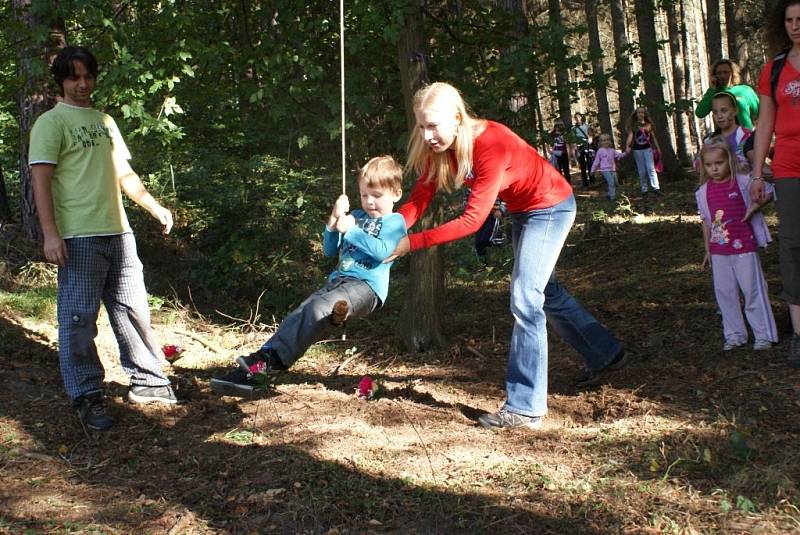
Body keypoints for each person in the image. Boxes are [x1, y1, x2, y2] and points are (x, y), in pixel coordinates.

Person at [390, 82, 626, 430]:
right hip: (523, 210)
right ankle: (605, 352)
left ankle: (526, 408)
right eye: (421, 126)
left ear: (456, 118)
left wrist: (413, 243)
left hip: (551, 206)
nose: (427, 135)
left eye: (433, 125)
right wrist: (391, 230)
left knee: (525, 296)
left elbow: (472, 221)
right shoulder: (441, 147)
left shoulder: (491, 143)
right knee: (544, 291)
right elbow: (420, 196)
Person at [28, 46, 177, 431]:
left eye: (88, 76)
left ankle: (148, 381)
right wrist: (50, 234)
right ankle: (86, 395)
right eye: (74, 77)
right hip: (78, 236)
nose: (82, 84)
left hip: (119, 232)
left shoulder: (105, 121)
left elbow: (123, 174)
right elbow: (40, 181)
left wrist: (154, 206)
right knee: (78, 319)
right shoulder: (50, 123)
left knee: (133, 309)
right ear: (61, 81)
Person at [210, 156, 407, 397]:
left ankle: (270, 363)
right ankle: (260, 364)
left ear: (396, 193)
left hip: (366, 288)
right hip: (339, 282)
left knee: (319, 309)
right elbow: (330, 250)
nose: (369, 202)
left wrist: (352, 230)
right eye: (365, 195)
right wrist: (333, 221)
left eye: (377, 195)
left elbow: (383, 251)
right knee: (304, 311)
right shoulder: (355, 215)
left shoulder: (394, 222)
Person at [750, 0, 800, 368]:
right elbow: (764, 125)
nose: (796, 26)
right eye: (790, 20)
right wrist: (756, 174)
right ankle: (799, 333)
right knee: (793, 246)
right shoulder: (775, 68)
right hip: (788, 167)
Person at [696, 140, 778, 351]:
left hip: (744, 247)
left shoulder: (742, 182)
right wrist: (707, 249)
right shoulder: (703, 192)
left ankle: (763, 334)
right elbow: (706, 221)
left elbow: (769, 191)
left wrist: (753, 209)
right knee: (724, 293)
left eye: (719, 163)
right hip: (719, 250)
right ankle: (734, 335)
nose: (714, 168)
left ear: (729, 161)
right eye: (709, 165)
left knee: (753, 290)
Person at [695, 59, 760, 130]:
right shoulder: (713, 92)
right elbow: (700, 113)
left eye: (725, 72)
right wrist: (713, 89)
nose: (722, 75)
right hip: (724, 138)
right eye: (719, 73)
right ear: (714, 75)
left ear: (732, 73)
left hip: (747, 136)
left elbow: (760, 113)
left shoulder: (745, 90)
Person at [625, 107, 661, 198]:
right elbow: (630, 136)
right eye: (639, 113)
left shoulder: (648, 125)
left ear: (645, 114)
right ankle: (644, 189)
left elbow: (653, 137)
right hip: (637, 150)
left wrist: (658, 148)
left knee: (651, 168)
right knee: (642, 170)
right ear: (636, 114)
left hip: (648, 149)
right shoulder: (634, 125)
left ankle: (656, 188)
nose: (640, 114)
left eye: (642, 112)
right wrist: (627, 146)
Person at [590, 133, 627, 201]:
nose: (606, 142)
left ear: (610, 141)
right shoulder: (600, 151)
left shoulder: (612, 150)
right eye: (604, 140)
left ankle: (610, 194)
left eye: (607, 140)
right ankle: (612, 198)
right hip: (605, 170)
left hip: (612, 169)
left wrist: (626, 152)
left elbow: (619, 155)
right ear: (601, 142)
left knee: (616, 183)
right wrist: (592, 170)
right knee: (611, 182)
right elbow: (596, 161)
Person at [570, 113, 593, 188]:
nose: (577, 119)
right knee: (582, 165)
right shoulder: (573, 128)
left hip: (587, 146)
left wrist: (590, 139)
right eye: (575, 117)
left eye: (578, 117)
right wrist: (574, 147)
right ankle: (585, 182)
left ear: (581, 117)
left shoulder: (586, 126)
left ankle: (592, 180)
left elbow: (591, 134)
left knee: (590, 163)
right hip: (579, 148)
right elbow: (573, 139)